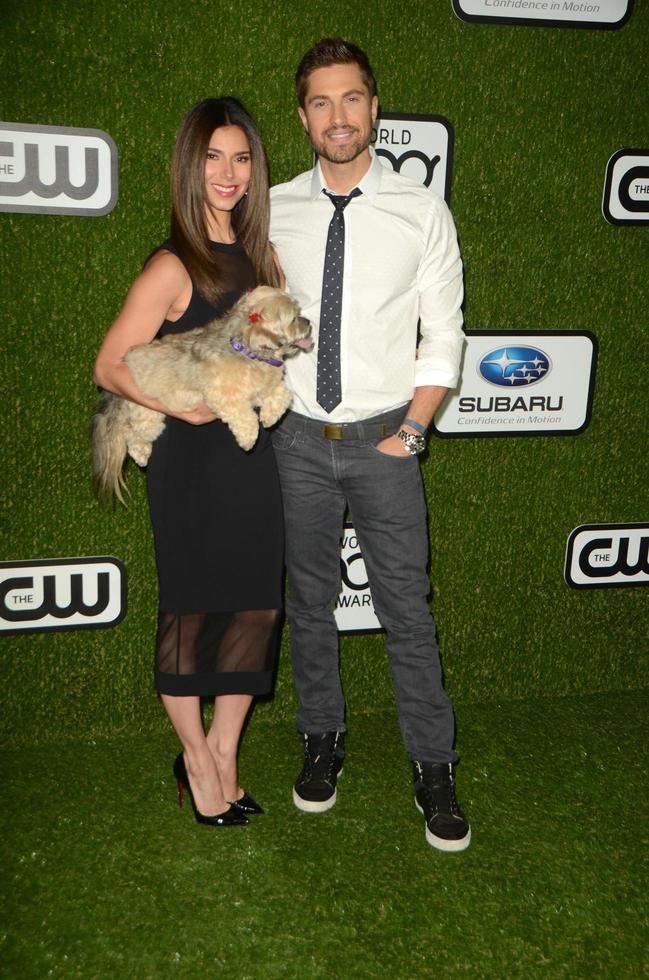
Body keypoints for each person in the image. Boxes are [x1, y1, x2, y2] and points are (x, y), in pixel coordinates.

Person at [269, 39, 471, 851]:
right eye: (320, 102)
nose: (337, 117)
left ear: (374, 107)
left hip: (387, 438)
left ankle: (434, 766)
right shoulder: (275, 207)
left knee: (406, 614)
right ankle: (322, 739)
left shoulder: (421, 209)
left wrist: (412, 433)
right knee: (307, 606)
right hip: (292, 441)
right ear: (303, 116)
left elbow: (444, 332)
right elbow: (256, 317)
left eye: (351, 99)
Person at [94, 97, 283, 828]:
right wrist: (180, 408)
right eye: (212, 158)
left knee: (253, 610)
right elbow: (111, 365)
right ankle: (196, 765)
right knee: (193, 613)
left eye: (240, 158)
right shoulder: (175, 264)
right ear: (189, 166)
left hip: (251, 460)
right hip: (192, 466)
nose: (228, 173)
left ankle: (225, 755)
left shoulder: (263, 261)